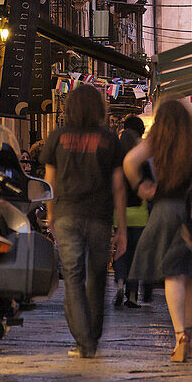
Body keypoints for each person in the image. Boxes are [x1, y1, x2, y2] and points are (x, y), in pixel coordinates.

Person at [42, 84, 127, 358]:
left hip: (67, 213)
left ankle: (84, 341)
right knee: (98, 277)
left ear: (69, 109)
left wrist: (50, 215)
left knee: (73, 277)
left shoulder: (57, 137)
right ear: (98, 109)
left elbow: (49, 182)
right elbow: (118, 185)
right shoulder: (109, 139)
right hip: (100, 217)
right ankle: (92, 335)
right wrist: (122, 227)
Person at [124, 99, 192, 363]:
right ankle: (191, 334)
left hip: (164, 210)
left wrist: (141, 187)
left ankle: (180, 335)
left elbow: (129, 161)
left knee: (173, 275)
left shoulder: (155, 144)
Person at [113, 115, 149, 309]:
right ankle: (133, 296)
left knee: (121, 249)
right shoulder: (142, 153)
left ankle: (119, 280)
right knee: (135, 255)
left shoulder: (116, 151)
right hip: (140, 212)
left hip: (119, 212)